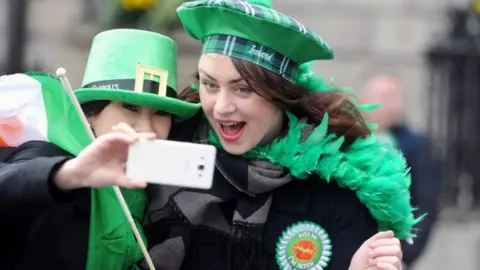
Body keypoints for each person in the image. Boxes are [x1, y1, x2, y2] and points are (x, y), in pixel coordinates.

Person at [140, 0, 419, 269]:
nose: (221, 107)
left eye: (243, 89)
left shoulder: (336, 189)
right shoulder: (166, 154)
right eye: (210, 85)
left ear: (280, 95)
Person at [0, 29, 201, 270]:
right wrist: (68, 174)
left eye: (160, 113)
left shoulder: (158, 173)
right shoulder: (52, 156)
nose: (147, 128)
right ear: (90, 114)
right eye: (129, 107)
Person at [360, 73, 442, 268]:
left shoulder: (418, 146)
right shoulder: (348, 140)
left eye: (396, 96)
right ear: (364, 100)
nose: (391, 103)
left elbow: (426, 205)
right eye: (383, 96)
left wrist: (405, 255)